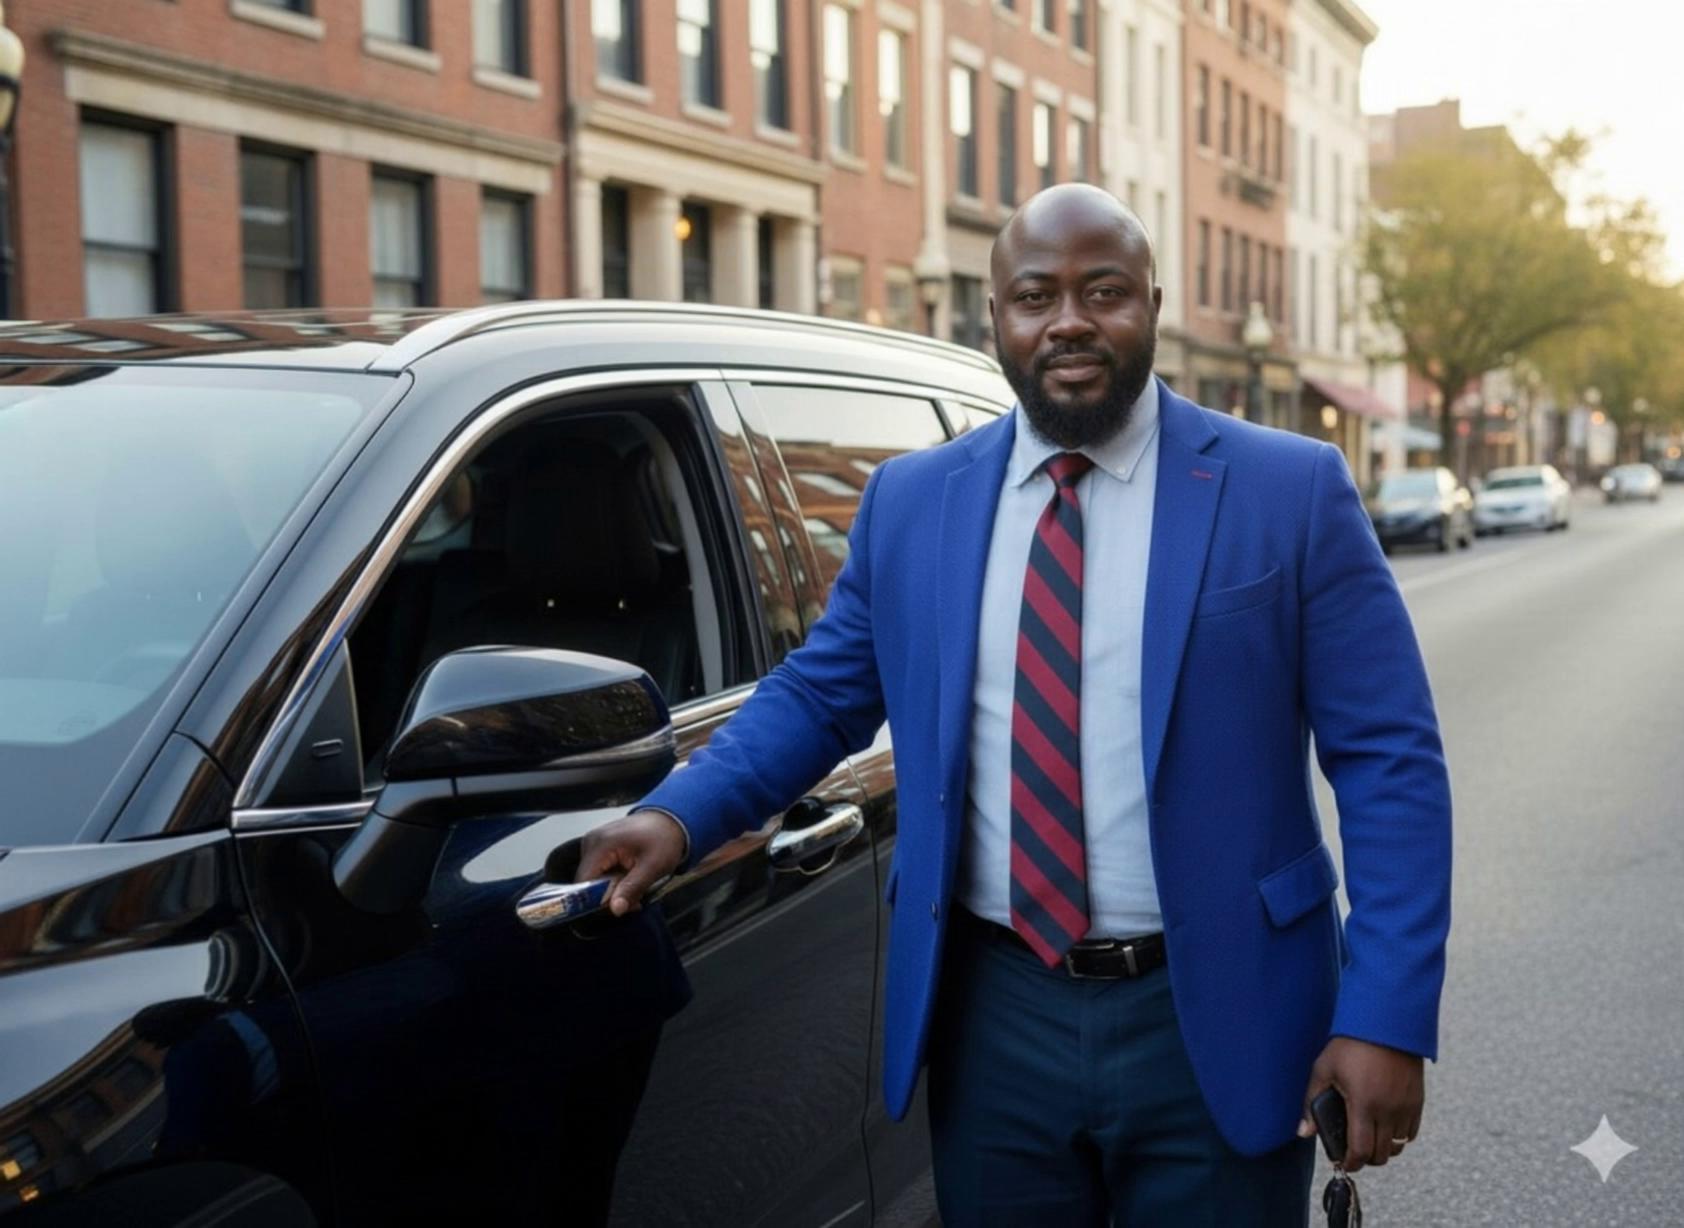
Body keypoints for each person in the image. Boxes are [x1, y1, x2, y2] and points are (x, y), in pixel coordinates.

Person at [578, 183, 1452, 1224]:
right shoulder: (911, 500)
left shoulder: (1289, 488)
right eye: (1034, 296)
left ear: (1153, 306)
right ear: (993, 319)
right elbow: (821, 691)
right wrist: (677, 813)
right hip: (994, 1016)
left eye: (1104, 291)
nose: (1069, 319)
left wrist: (1386, 1014)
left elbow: (1389, 762)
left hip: (1217, 1008)